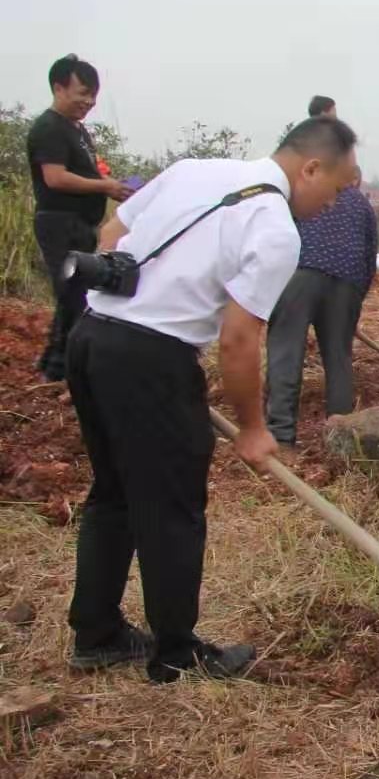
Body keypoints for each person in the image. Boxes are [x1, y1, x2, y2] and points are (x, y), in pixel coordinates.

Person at [66, 117, 357, 683]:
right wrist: (253, 427)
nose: (334, 202)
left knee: (115, 494)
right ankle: (175, 651)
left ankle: (96, 634)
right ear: (311, 168)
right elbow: (239, 339)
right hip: (152, 358)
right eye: (338, 188)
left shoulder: (192, 170)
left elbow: (109, 238)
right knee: (171, 508)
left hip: (94, 337)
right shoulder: (275, 228)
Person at [29, 55, 131, 382]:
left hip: (82, 224)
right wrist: (104, 186)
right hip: (59, 223)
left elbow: (86, 170)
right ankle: (69, 372)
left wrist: (110, 181)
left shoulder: (78, 130)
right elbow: (55, 178)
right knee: (73, 294)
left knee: (75, 291)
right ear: (59, 87)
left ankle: (54, 368)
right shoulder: (49, 128)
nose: (88, 102)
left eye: (93, 96)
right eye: (82, 93)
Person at [265, 167, 377, 446]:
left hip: (300, 274)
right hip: (347, 282)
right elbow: (369, 259)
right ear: (356, 181)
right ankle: (341, 439)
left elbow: (277, 237)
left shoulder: (306, 194)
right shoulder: (363, 205)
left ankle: (281, 436)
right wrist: (351, 306)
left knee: (286, 352)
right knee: (339, 359)